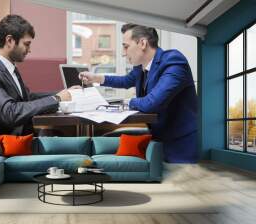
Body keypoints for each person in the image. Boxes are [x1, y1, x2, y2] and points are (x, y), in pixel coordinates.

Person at [79, 24, 198, 163]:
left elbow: (151, 103)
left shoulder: (173, 61)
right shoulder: (141, 67)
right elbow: (125, 81)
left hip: (181, 146)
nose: (123, 53)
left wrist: (128, 102)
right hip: (159, 140)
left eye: (126, 46)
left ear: (142, 43)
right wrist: (96, 78)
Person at [0, 14, 73, 136]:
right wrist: (56, 99)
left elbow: (27, 98)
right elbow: (10, 113)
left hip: (17, 140)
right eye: (26, 44)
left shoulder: (9, 68)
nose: (29, 50)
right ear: (9, 41)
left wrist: (64, 93)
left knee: (62, 136)